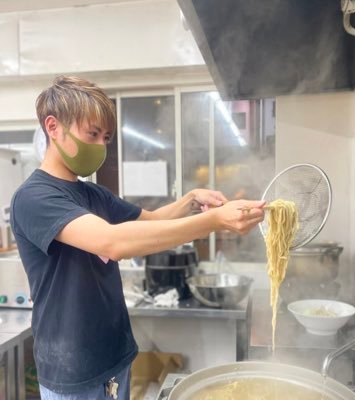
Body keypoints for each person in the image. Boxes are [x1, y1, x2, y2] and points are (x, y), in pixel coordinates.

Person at [10, 75, 265, 400]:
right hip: (71, 371)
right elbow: (112, 242)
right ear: (53, 126)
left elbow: (152, 221)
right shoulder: (34, 198)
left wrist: (191, 200)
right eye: (92, 134)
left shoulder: (94, 195)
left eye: (106, 138)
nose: (101, 146)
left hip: (115, 355)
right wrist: (213, 222)